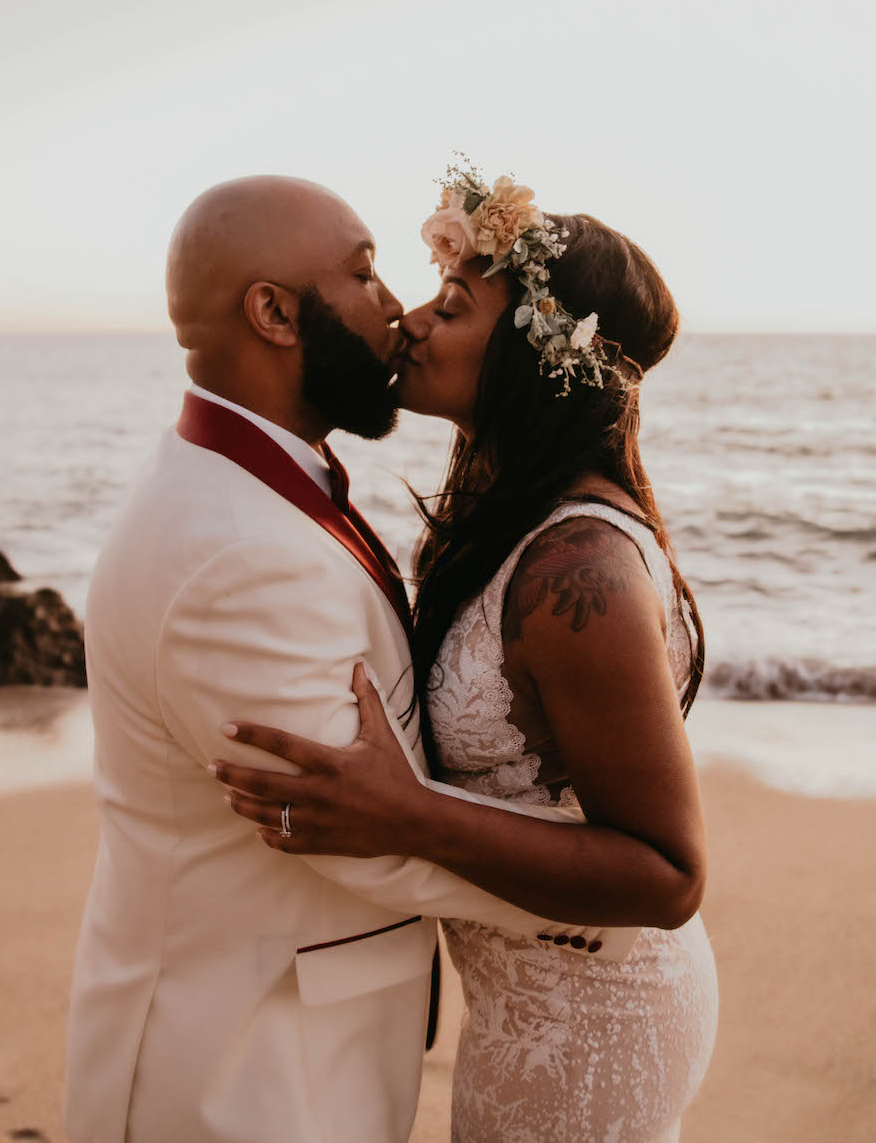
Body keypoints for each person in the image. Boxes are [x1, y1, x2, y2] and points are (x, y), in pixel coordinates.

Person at [64, 175, 635, 1143]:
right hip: (241, 1067)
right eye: (365, 273)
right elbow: (345, 823)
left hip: (299, 1032)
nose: (397, 311)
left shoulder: (262, 489)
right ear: (275, 311)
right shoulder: (236, 549)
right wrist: (605, 897)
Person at [211, 163, 719, 1142]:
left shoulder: (581, 570)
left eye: (452, 304)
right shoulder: (506, 520)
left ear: (535, 355)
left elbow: (667, 874)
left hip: (593, 1018)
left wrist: (405, 813)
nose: (409, 320)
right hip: (527, 1000)